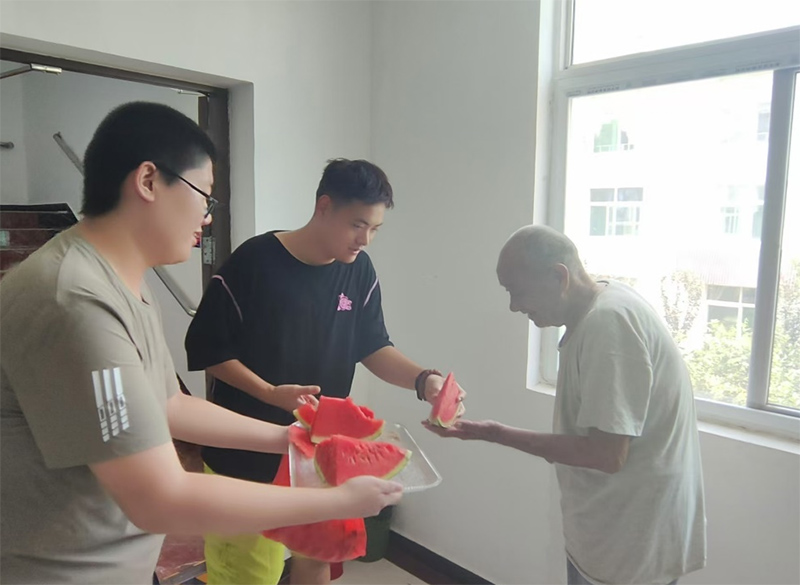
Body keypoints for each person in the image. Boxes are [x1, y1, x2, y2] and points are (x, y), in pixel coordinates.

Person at [0, 102, 402, 585]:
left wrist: (289, 439)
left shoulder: (120, 282)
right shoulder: (75, 300)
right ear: (148, 181)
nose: (207, 218)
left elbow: (168, 404)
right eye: (204, 197)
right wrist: (333, 501)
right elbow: (158, 500)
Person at [185, 157, 459, 585]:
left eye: (375, 229)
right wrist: (269, 392)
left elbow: (373, 345)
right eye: (357, 225)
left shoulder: (359, 271)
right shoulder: (255, 262)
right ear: (324, 206)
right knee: (248, 576)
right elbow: (207, 348)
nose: (365, 240)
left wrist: (426, 381)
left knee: (316, 558)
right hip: (246, 455)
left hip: (320, 453)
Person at [425, 225, 706, 585]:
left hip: (632, 538)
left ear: (559, 277)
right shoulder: (601, 305)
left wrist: (495, 433)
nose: (513, 306)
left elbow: (607, 454)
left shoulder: (609, 323)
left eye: (516, 291)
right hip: (608, 527)